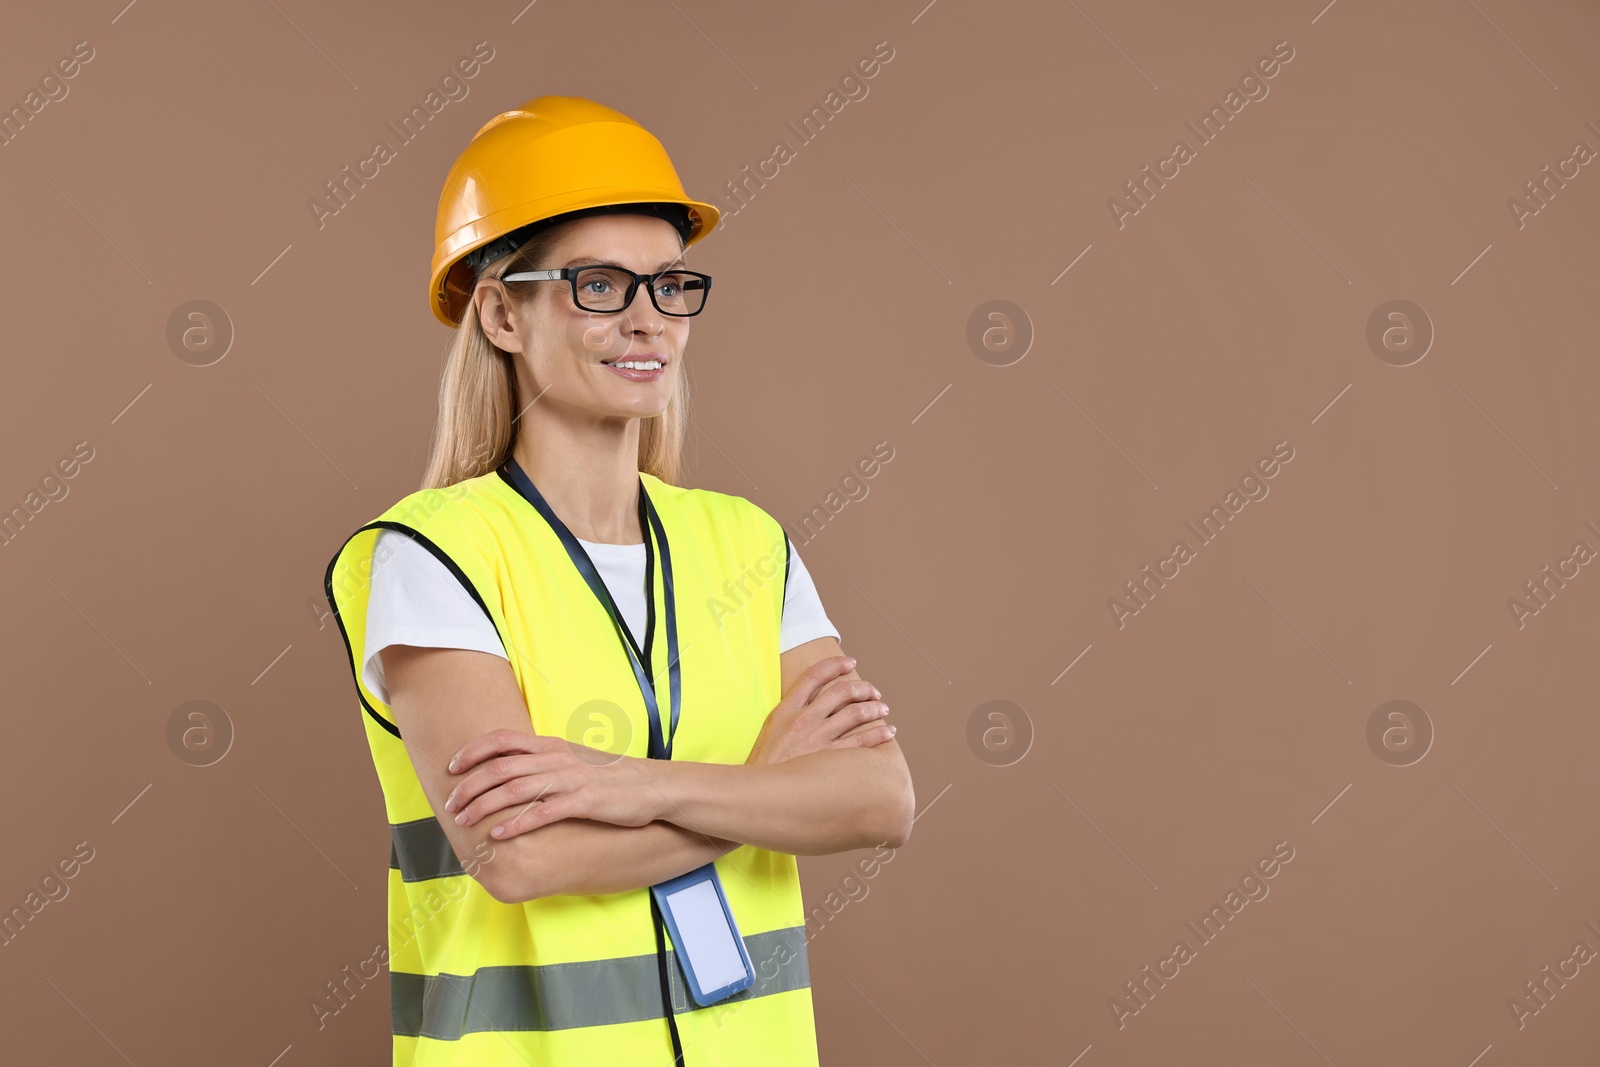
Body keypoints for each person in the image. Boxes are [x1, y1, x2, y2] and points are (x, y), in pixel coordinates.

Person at [322, 95, 915, 1066]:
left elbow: (877, 798)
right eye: (598, 285)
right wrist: (765, 788)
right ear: (502, 310)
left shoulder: (746, 543)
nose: (648, 321)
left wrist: (627, 784)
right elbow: (520, 855)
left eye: (671, 285)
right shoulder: (434, 554)